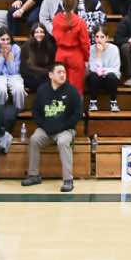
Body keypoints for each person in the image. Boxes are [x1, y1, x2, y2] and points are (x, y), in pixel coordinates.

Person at [23, 61, 83, 191]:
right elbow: (35, 112)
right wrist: (44, 125)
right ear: (51, 75)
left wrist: (62, 126)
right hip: (46, 129)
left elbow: (77, 114)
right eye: (59, 72)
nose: (62, 75)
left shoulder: (72, 91)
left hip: (66, 129)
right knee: (34, 139)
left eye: (64, 72)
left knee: (63, 142)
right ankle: (34, 175)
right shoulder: (42, 90)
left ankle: (68, 180)